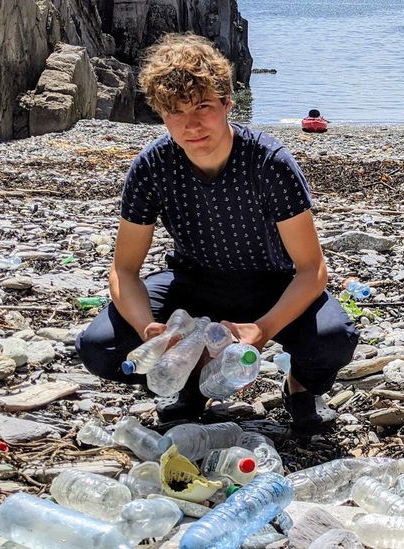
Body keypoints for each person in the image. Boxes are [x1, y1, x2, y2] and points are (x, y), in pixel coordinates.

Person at [76, 33, 359, 433]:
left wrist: (263, 329)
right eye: (175, 112)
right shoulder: (152, 166)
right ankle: (189, 381)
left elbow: (311, 269)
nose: (191, 124)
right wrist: (149, 331)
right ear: (161, 115)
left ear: (227, 102)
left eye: (203, 106)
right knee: (99, 346)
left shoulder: (269, 162)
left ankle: (301, 385)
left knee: (334, 337)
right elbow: (124, 270)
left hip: (272, 283)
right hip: (192, 283)